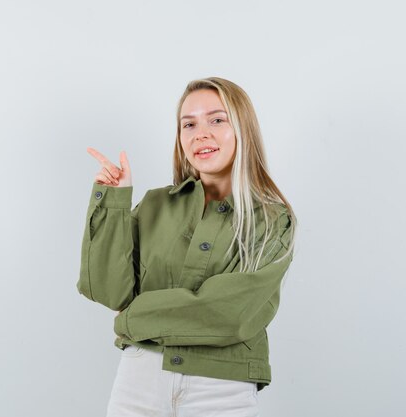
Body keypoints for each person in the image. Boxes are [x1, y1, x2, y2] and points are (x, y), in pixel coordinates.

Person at [77, 77, 297, 417]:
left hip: (223, 388)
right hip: (139, 382)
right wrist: (114, 202)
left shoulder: (272, 220)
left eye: (217, 119)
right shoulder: (154, 205)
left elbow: (229, 314)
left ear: (243, 129)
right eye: (189, 124)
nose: (201, 133)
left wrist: (132, 319)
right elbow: (108, 291)